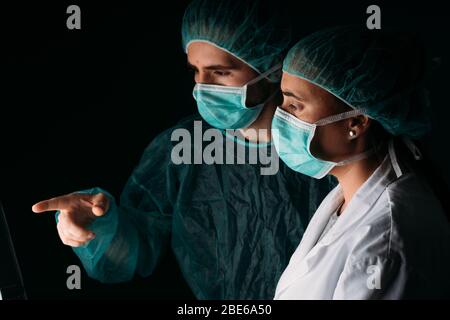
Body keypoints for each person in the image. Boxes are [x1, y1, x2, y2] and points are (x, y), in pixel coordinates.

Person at [31, 0, 333, 299]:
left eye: (220, 73)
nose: (202, 87)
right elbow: (132, 254)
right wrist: (96, 228)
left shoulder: (323, 147)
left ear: (270, 67)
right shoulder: (182, 149)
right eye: (195, 71)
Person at [272, 25, 450, 299]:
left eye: (295, 106)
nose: (280, 117)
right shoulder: (349, 192)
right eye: (283, 101)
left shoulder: (387, 241)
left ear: (356, 122)